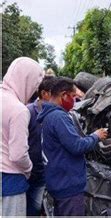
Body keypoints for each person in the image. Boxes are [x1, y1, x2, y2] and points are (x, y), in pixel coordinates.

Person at [38, 77, 108, 216]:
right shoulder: (58, 117)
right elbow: (76, 146)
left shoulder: (47, 116)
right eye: (73, 96)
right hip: (68, 186)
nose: (74, 100)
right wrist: (95, 136)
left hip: (57, 181)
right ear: (64, 95)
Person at [1, 57, 44, 216]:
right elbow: (18, 154)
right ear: (26, 80)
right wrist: (28, 169)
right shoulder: (18, 110)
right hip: (10, 181)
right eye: (35, 84)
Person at [25, 76, 57, 216]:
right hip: (32, 172)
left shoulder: (56, 114)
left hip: (49, 172)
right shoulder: (28, 113)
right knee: (33, 207)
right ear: (45, 93)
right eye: (56, 93)